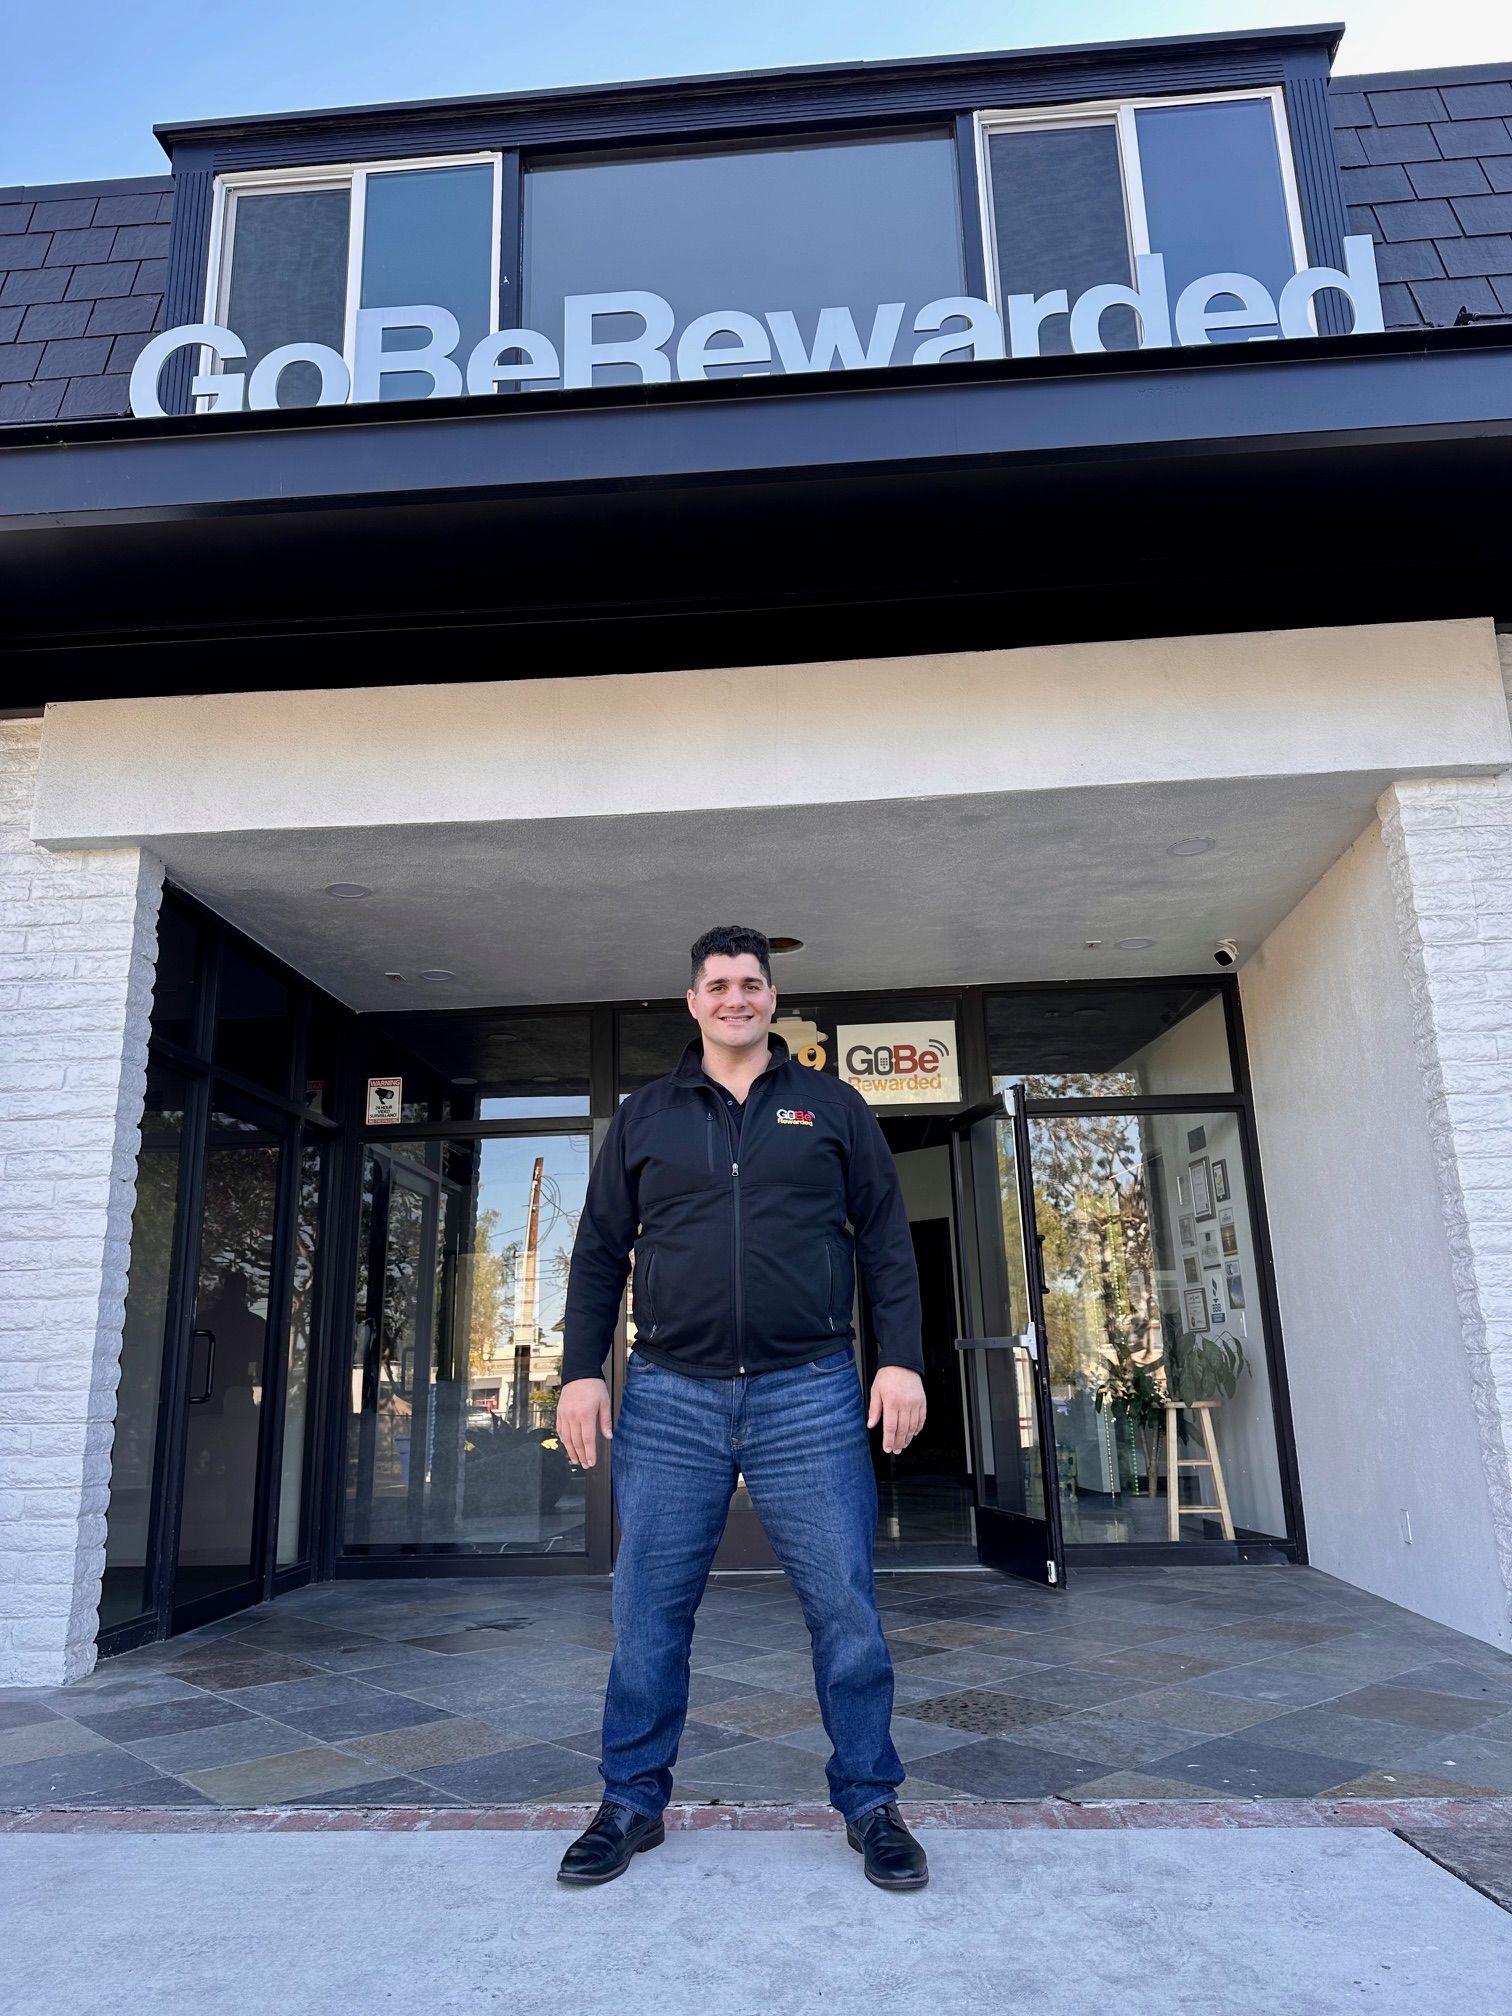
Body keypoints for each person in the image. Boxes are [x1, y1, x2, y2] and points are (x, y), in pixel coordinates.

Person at [554, 925, 931, 1891]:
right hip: (670, 1396)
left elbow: (887, 1242)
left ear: (773, 999)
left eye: (751, 984)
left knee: (844, 1604)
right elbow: (599, 1251)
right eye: (717, 985)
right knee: (647, 1608)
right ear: (693, 1002)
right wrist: (581, 1370)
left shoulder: (832, 1107)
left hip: (808, 1389)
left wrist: (903, 1363)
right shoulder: (645, 1116)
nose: (735, 998)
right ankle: (630, 1801)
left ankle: (872, 1801)